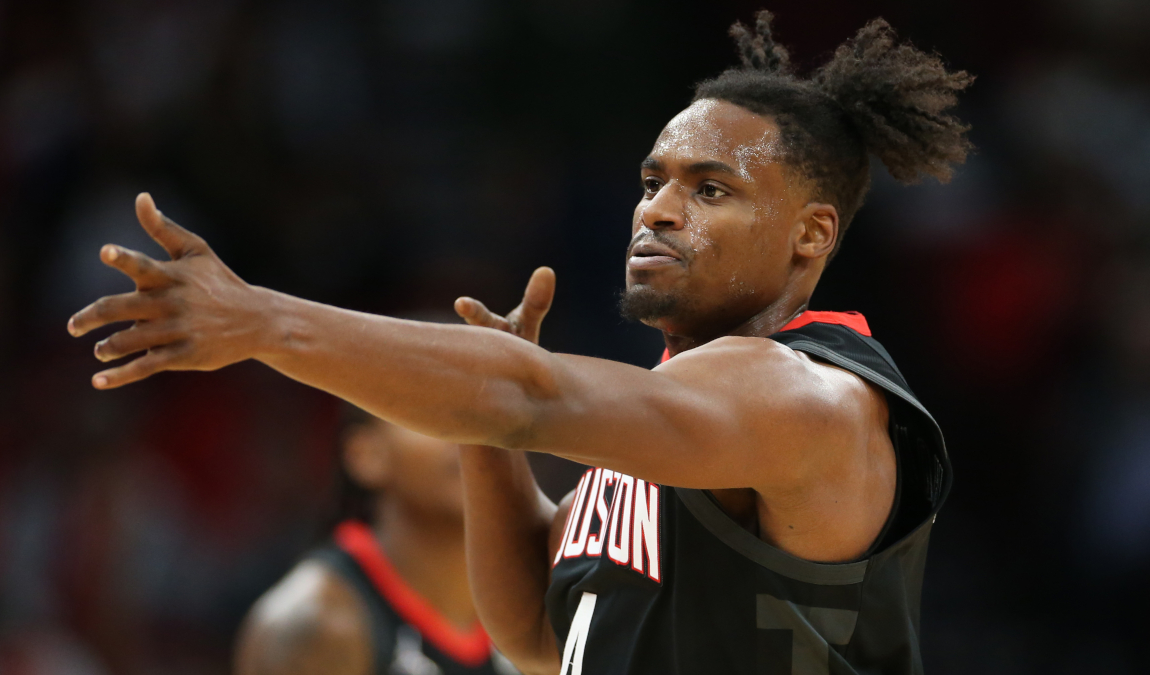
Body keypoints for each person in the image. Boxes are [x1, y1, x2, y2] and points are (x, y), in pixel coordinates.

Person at [69, 13, 970, 674]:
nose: (658, 209)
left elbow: (529, 396)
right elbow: (542, 634)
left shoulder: (807, 396)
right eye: (652, 180)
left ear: (811, 234)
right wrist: (485, 436)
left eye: (710, 190)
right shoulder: (680, 418)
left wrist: (265, 321)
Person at [234, 407, 520, 675]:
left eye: (477, 411)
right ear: (365, 455)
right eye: (431, 413)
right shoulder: (315, 624)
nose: (467, 435)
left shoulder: (533, 593)